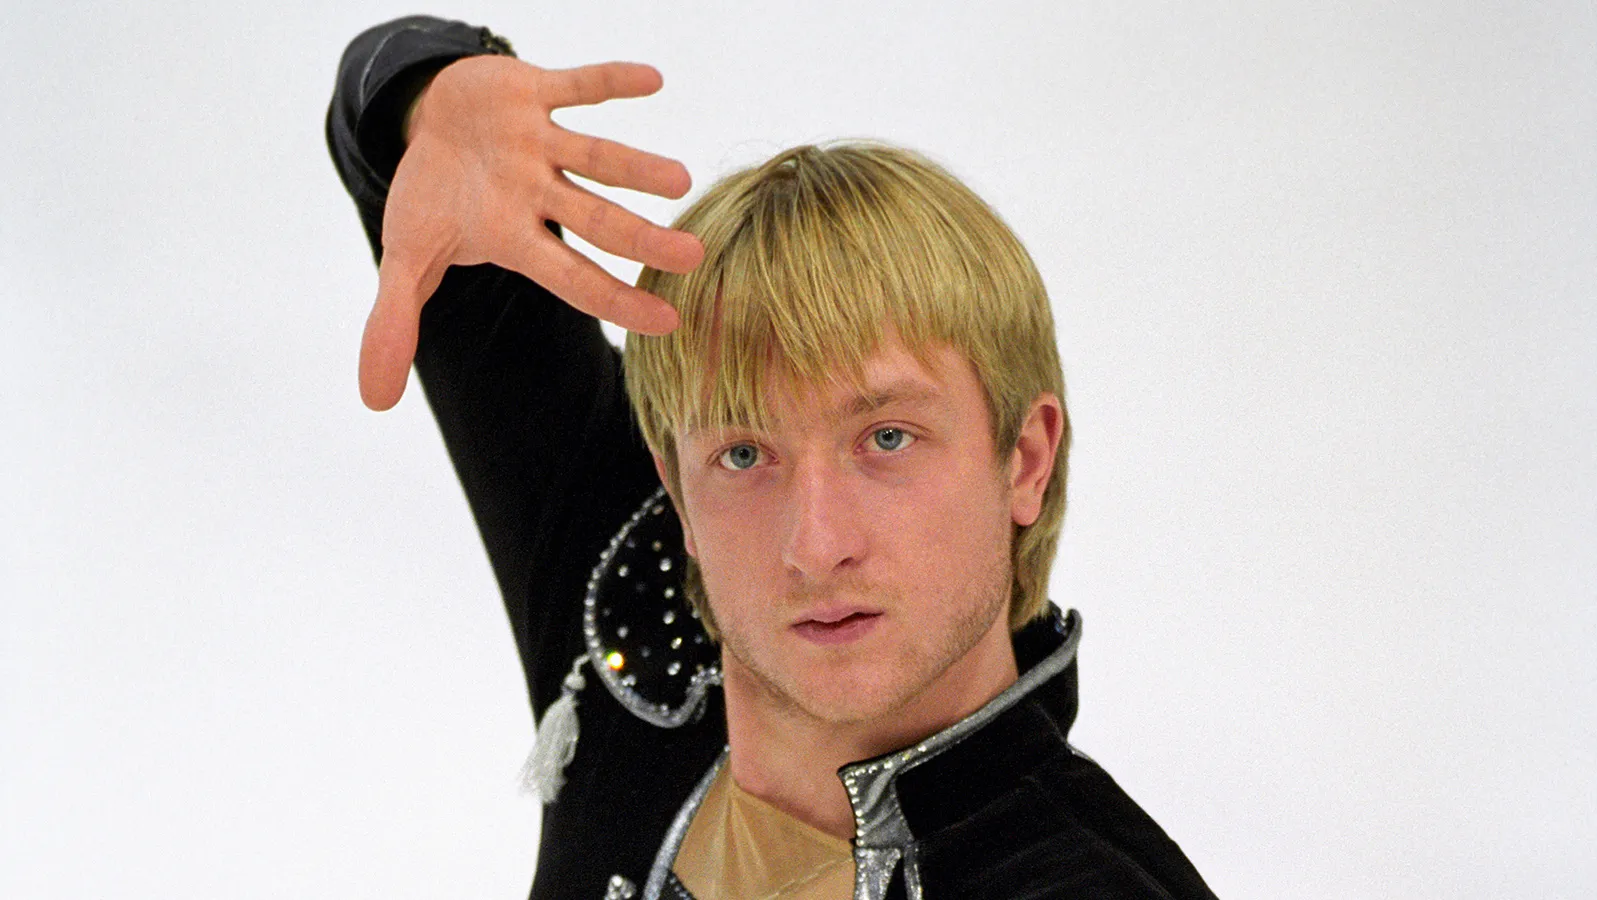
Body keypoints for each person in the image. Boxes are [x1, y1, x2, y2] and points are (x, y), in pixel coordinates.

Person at [328, 15, 1217, 900]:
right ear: (676, 489)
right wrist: (428, 99)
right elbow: (390, 134)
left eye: (887, 438)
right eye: (746, 452)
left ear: (1024, 460)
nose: (816, 545)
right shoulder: (634, 614)